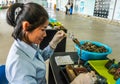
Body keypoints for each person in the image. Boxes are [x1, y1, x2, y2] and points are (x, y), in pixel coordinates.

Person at [5, 2, 66, 84]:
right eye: (43, 29)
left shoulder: (26, 43)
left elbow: (39, 57)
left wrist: (53, 43)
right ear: (26, 26)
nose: (45, 34)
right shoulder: (20, 67)